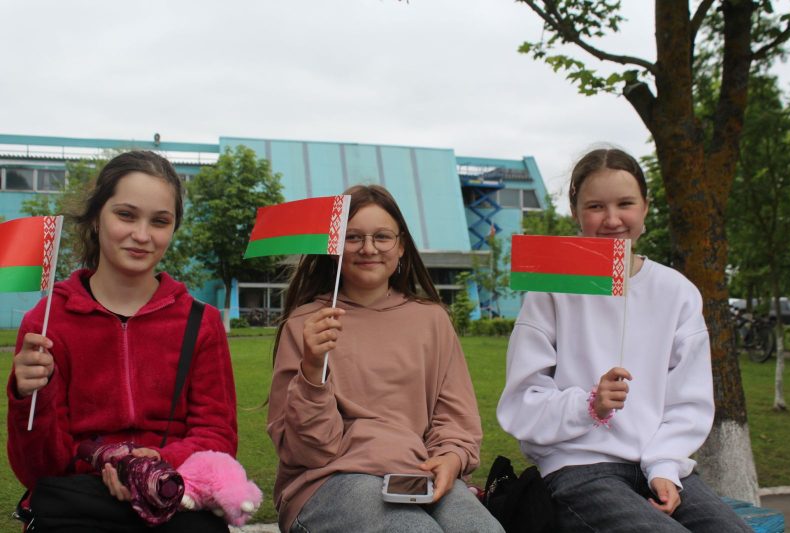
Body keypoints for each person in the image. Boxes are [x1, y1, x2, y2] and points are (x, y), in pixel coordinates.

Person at [496, 147, 751, 532]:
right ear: (575, 212)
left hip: (656, 465)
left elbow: (689, 400)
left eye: (625, 204)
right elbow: (521, 402)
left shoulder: (677, 291)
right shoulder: (552, 288)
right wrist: (589, 405)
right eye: (596, 206)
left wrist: (664, 465)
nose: (612, 219)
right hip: (577, 466)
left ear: (645, 207)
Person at [7, 151, 237, 532]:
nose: (142, 235)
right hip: (79, 507)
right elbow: (38, 470)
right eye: (126, 215)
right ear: (97, 218)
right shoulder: (46, 323)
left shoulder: (202, 323)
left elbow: (218, 438)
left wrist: (153, 462)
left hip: (176, 500)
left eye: (160, 221)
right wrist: (28, 396)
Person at [267, 184, 503, 533]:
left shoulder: (432, 320)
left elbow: (455, 416)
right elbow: (309, 453)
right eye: (353, 237)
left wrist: (451, 457)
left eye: (381, 236)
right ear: (334, 247)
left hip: (416, 470)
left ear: (401, 246)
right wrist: (313, 369)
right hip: (330, 479)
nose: (368, 248)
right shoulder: (306, 324)